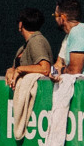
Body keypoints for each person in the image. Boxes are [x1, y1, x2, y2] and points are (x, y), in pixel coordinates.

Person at [4, 8, 53, 137]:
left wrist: (20, 69)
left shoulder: (37, 41)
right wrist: (11, 70)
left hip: (37, 107)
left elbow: (45, 68)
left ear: (21, 24)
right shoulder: (25, 45)